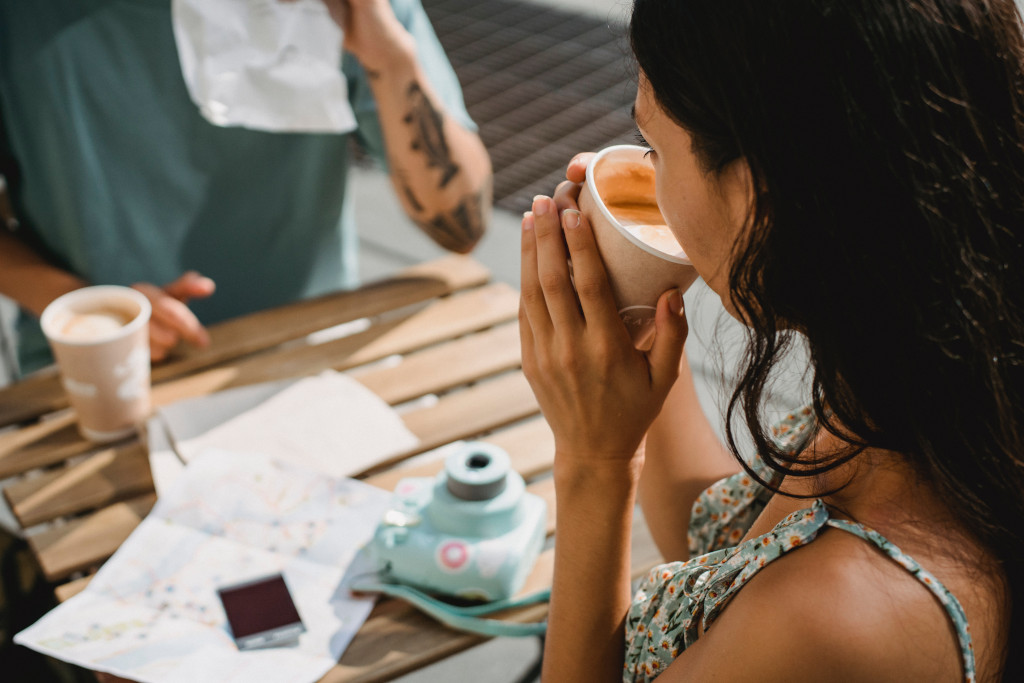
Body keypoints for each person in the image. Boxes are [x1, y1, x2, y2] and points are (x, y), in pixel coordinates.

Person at [520, 0, 1024, 680]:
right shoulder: (926, 385)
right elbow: (722, 542)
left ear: (756, 194)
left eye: (656, 151)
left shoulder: (834, 617)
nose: (649, 177)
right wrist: (628, 325)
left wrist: (593, 462)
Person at [0, 0, 491, 374]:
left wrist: (387, 51)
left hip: (310, 342)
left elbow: (462, 225)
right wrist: (84, 305)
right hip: (91, 354)